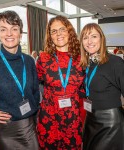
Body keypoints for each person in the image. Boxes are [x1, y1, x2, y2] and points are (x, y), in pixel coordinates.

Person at [0, 11, 40, 150]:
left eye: (14, 29)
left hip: (29, 128)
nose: (9, 34)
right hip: (4, 133)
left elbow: (35, 93)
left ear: (20, 33)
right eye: (3, 29)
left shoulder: (28, 61)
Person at [36, 15, 85, 149]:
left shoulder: (81, 59)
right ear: (50, 36)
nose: (59, 34)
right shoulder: (43, 58)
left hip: (73, 119)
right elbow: (32, 85)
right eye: (54, 31)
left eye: (62, 29)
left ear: (69, 31)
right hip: (49, 118)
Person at [79, 23, 124, 150]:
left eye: (94, 36)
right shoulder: (87, 64)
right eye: (85, 37)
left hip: (110, 123)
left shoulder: (115, 62)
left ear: (101, 39)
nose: (89, 41)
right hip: (90, 119)